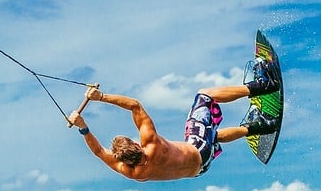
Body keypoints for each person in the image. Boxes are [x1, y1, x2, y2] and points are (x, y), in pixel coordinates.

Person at [67, 61, 280, 182]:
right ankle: (263, 85)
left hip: (200, 169)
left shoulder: (131, 172)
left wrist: (83, 127)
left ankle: (260, 126)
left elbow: (98, 152)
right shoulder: (151, 145)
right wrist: (101, 97)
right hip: (199, 151)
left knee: (212, 135)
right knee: (204, 96)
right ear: (135, 145)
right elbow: (135, 105)